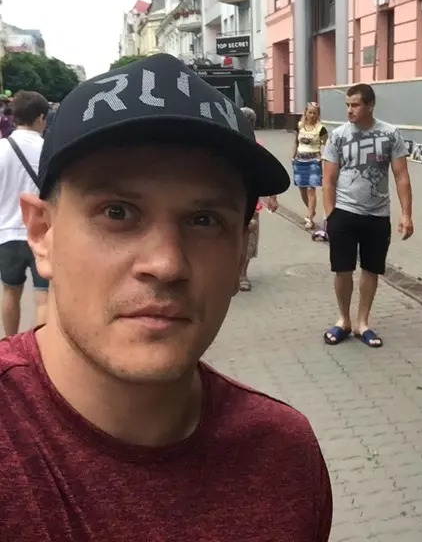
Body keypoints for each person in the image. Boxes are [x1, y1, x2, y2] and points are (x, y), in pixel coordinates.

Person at [0, 54, 332, 541]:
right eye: (117, 212)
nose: (167, 264)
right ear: (42, 234)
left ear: (242, 252)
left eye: (204, 221)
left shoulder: (285, 458)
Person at [322, 83, 413, 348]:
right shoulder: (338, 136)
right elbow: (328, 179)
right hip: (344, 212)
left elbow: (401, 176)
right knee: (342, 269)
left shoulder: (390, 134)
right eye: (347, 105)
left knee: (371, 269)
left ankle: (362, 323)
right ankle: (343, 320)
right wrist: (330, 215)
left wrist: (406, 214)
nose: (350, 110)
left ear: (370, 105)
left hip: (377, 215)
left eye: (355, 105)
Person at [0, 90, 49, 336]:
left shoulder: (1, 149)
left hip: (7, 234)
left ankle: (10, 345)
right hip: (42, 235)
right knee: (43, 297)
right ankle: (37, 350)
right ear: (40, 117)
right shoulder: (48, 149)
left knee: (10, 291)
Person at [239, 106, 278, 291]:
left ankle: (242, 274)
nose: (248, 125)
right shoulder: (229, 142)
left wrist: (273, 197)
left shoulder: (258, 146)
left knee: (249, 239)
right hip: (231, 202)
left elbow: (269, 173)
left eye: (250, 122)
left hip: (252, 204)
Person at [292, 102, 328, 229]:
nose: (312, 115)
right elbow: (296, 142)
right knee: (302, 188)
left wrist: (323, 157)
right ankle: (311, 210)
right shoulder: (300, 126)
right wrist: (293, 156)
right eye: (310, 112)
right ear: (305, 113)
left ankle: (310, 218)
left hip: (313, 161)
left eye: (315, 113)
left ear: (318, 115)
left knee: (310, 189)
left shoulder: (321, 129)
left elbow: (328, 144)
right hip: (299, 160)